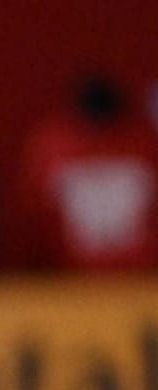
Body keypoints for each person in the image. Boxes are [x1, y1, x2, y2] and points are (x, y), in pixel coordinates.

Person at [17, 73, 158, 272]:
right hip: (75, 283)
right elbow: (33, 216)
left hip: (141, 280)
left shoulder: (144, 144)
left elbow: (33, 213)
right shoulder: (52, 147)